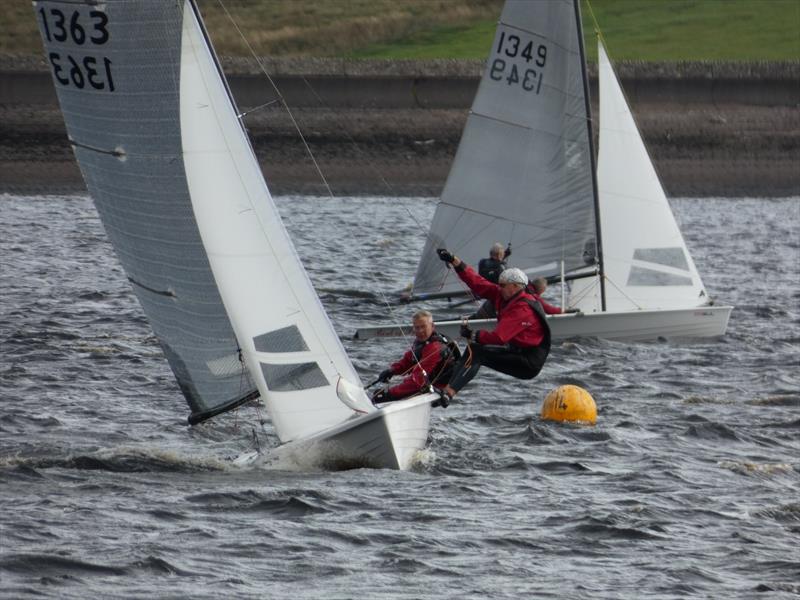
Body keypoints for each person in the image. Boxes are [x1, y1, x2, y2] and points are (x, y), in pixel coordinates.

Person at [435, 248, 551, 402]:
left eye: (503, 285)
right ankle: (447, 388)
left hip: (528, 363)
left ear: (516, 287)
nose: (499, 287)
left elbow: (499, 337)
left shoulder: (523, 309)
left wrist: (473, 334)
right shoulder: (502, 294)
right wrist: (454, 260)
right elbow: (476, 282)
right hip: (515, 351)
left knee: (478, 353)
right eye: (499, 284)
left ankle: (449, 393)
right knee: (473, 349)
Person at [372, 310, 460, 405]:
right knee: (379, 394)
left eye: (423, 327)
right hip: (425, 384)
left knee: (382, 397)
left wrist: (389, 393)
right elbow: (408, 360)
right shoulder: (422, 342)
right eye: (417, 328)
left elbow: (417, 381)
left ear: (432, 326)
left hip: (438, 391)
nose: (420, 331)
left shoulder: (435, 348)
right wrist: (392, 370)